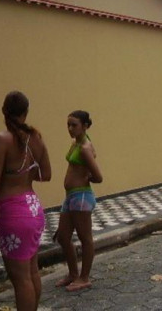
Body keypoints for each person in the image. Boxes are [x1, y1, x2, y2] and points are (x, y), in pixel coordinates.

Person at [0, 91, 51, 311]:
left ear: (4, 111)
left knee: (21, 280)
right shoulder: (36, 138)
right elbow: (46, 174)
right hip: (34, 209)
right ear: (26, 113)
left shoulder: (1, 140)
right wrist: (22, 174)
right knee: (32, 272)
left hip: (14, 215)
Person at [55, 110, 103, 292]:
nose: (70, 128)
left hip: (81, 197)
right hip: (71, 197)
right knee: (63, 237)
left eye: (74, 125)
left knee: (85, 238)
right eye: (68, 124)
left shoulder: (84, 148)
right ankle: (73, 274)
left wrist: (86, 177)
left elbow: (99, 177)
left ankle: (84, 277)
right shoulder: (77, 143)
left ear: (85, 126)